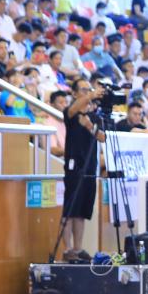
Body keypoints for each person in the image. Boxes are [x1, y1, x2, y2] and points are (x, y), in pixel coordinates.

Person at [60, 79, 107, 262]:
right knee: (70, 209)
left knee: (81, 210)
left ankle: (78, 248)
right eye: (83, 90)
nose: (87, 93)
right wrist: (92, 94)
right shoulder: (71, 112)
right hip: (74, 166)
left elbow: (102, 137)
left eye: (89, 90)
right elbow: (72, 110)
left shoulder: (94, 117)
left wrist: (89, 126)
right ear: (74, 93)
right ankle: (67, 249)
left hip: (90, 167)